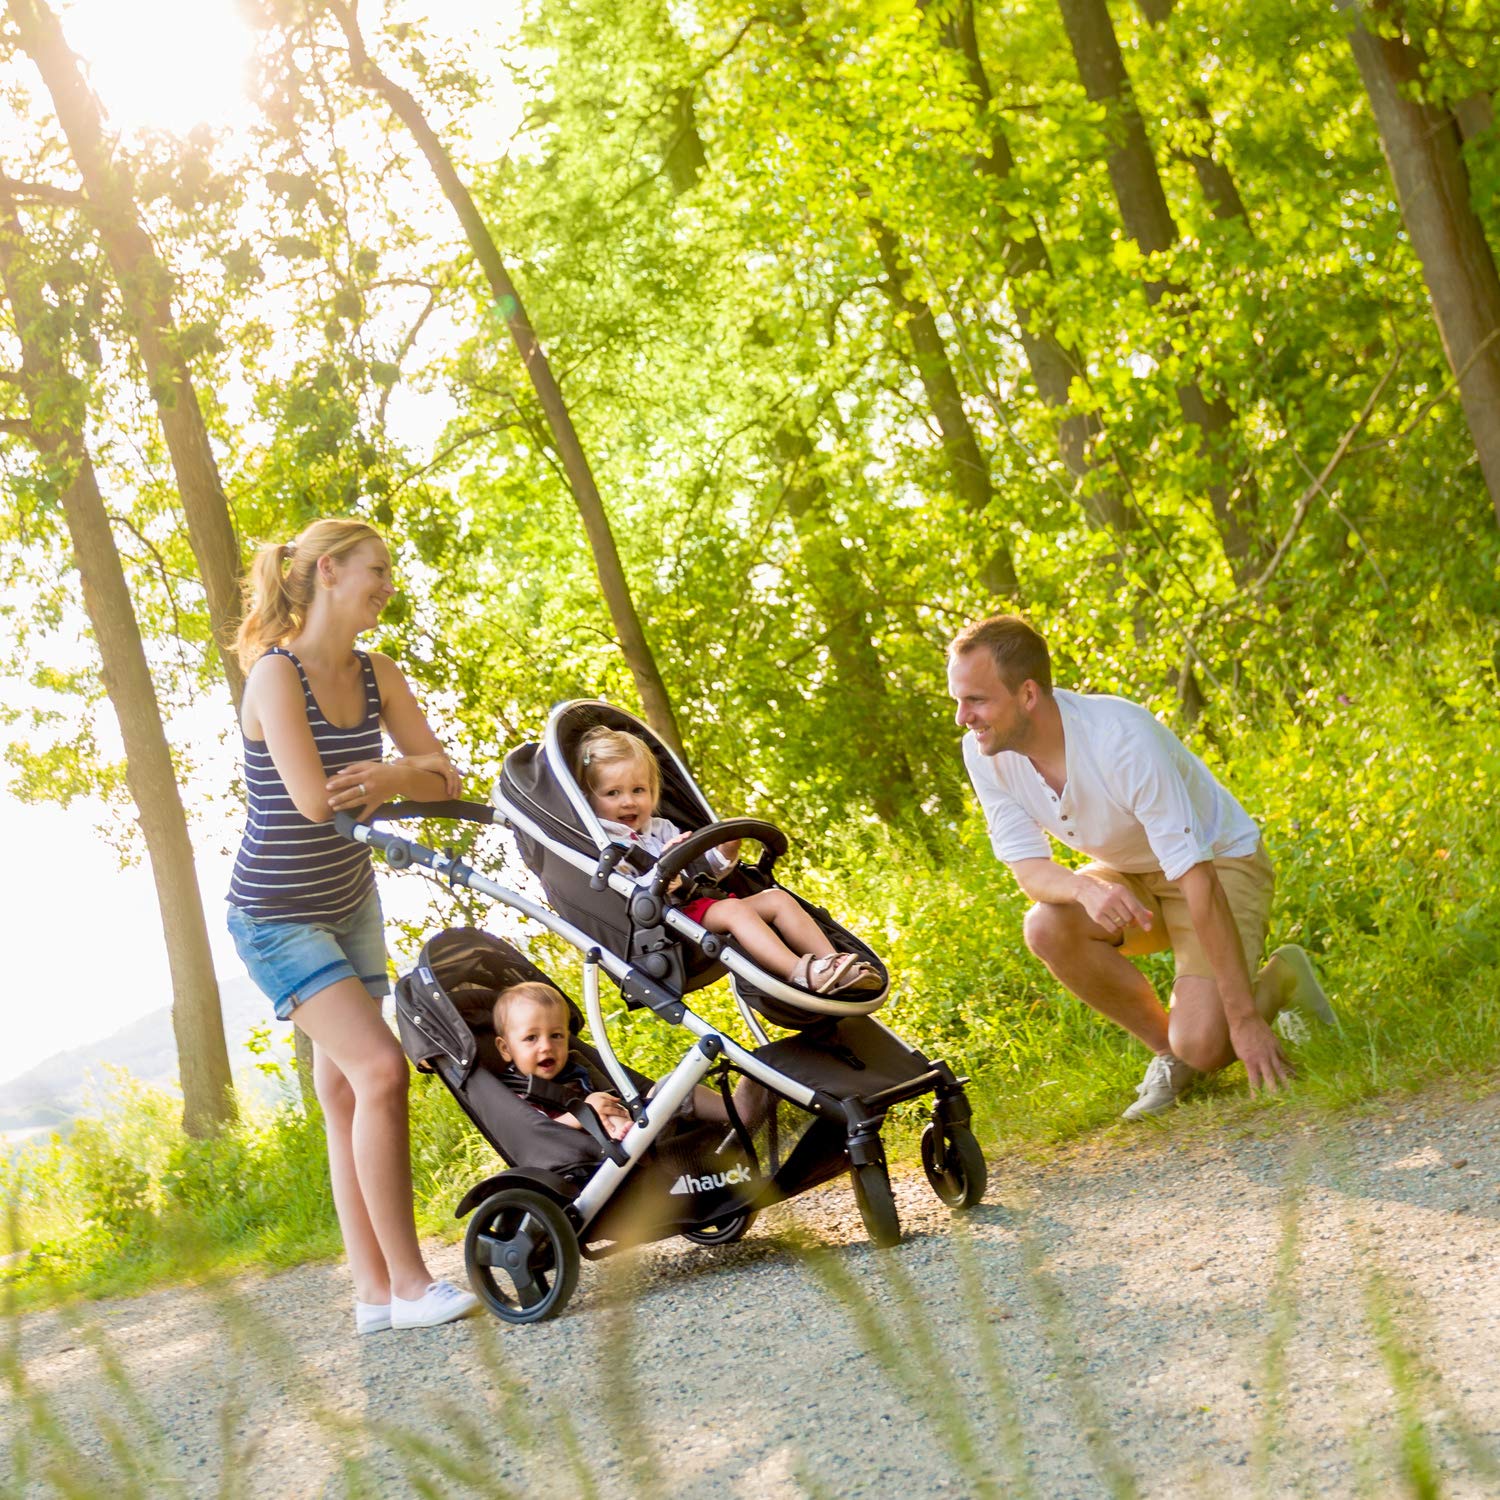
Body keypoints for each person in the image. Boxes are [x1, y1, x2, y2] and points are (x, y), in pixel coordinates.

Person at [226, 517, 480, 1333]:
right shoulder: (275, 675)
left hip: (349, 901)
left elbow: (444, 775)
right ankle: (413, 1285)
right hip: (274, 916)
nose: (387, 585)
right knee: (379, 1072)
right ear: (329, 570)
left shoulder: (380, 673)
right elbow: (316, 801)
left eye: (390, 573)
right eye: (376, 569)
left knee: (343, 1091)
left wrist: (401, 771)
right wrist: (398, 775)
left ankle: (373, 1294)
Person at [947, 615, 1334, 1120]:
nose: (962, 717)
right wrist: (1084, 891)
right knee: (1045, 924)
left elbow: (1199, 881)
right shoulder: (986, 752)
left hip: (1219, 864)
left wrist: (1244, 1022)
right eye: (958, 700)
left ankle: (1282, 979)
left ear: (1027, 694)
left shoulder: (1121, 740)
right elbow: (1029, 870)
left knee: (1213, 1044)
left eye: (976, 699)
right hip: (1131, 871)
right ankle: (1172, 1053)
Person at [575, 726, 880, 995]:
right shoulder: (607, 843)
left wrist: (725, 853)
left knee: (776, 898)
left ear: (653, 791)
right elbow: (627, 893)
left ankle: (835, 966)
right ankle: (799, 971)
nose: (628, 801)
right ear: (590, 798)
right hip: (665, 924)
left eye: (638, 790)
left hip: (698, 906)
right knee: (732, 909)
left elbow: (704, 874)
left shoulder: (662, 828)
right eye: (613, 793)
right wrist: (663, 869)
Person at [493, 981, 767, 1137]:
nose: (546, 1047)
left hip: (632, 1123)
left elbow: (614, 1096)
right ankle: (745, 1106)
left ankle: (739, 1109)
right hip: (606, 1147)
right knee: (666, 1092)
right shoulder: (518, 1095)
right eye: (531, 1038)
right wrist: (584, 1113)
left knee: (675, 1085)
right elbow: (538, 1133)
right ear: (505, 1049)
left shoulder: (576, 1068)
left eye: (556, 1036)